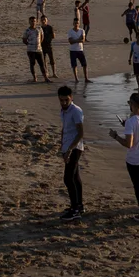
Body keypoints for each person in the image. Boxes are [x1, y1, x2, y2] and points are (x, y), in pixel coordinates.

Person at [109, 92, 139, 228]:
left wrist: (115, 136)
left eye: (129, 103)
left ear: (132, 104)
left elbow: (128, 144)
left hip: (134, 160)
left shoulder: (131, 122)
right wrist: (128, 124)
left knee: (138, 186)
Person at [58, 85, 85, 221]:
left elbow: (80, 133)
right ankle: (79, 205)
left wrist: (69, 150)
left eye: (66, 100)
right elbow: (65, 128)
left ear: (71, 98)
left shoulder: (76, 111)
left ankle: (75, 210)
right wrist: (62, 144)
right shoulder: (63, 111)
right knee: (75, 177)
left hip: (75, 148)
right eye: (61, 100)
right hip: (67, 146)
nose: (63, 103)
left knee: (68, 178)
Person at [22, 16, 50, 83]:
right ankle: (34, 78)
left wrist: (39, 43)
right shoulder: (27, 31)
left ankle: (46, 78)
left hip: (39, 49)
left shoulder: (39, 29)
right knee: (32, 63)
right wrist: (29, 44)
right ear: (29, 22)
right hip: (31, 50)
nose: (33, 22)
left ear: (36, 22)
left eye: (34, 21)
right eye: (31, 21)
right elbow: (24, 39)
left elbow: (42, 37)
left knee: (42, 64)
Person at [67, 17, 89, 82]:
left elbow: (83, 40)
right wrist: (78, 39)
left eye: (77, 23)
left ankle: (86, 78)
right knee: (74, 65)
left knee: (84, 64)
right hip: (73, 50)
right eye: (75, 23)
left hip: (80, 50)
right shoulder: (70, 31)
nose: (76, 24)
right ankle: (76, 79)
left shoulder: (82, 30)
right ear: (73, 23)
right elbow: (70, 42)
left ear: (79, 24)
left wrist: (76, 40)